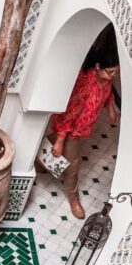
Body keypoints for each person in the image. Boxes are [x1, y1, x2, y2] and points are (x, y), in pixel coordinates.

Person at [49, 52, 120, 219]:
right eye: (110, 72)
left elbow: (108, 94)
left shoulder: (106, 81)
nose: (112, 76)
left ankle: (41, 162)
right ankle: (74, 200)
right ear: (97, 67)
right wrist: (60, 140)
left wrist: (110, 109)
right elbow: (70, 113)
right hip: (70, 129)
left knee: (54, 147)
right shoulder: (85, 84)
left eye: (115, 73)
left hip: (83, 129)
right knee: (72, 166)